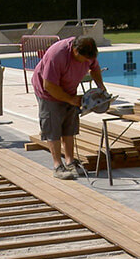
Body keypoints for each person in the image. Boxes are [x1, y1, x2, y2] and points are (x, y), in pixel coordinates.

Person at [32, 36, 106, 180]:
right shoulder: (57, 55)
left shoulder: (88, 53)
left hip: (69, 89)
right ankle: (57, 165)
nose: (85, 62)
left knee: (69, 126)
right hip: (48, 92)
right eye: (83, 58)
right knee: (53, 126)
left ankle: (70, 161)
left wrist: (101, 89)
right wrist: (70, 99)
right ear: (75, 50)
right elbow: (49, 86)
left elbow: (95, 69)